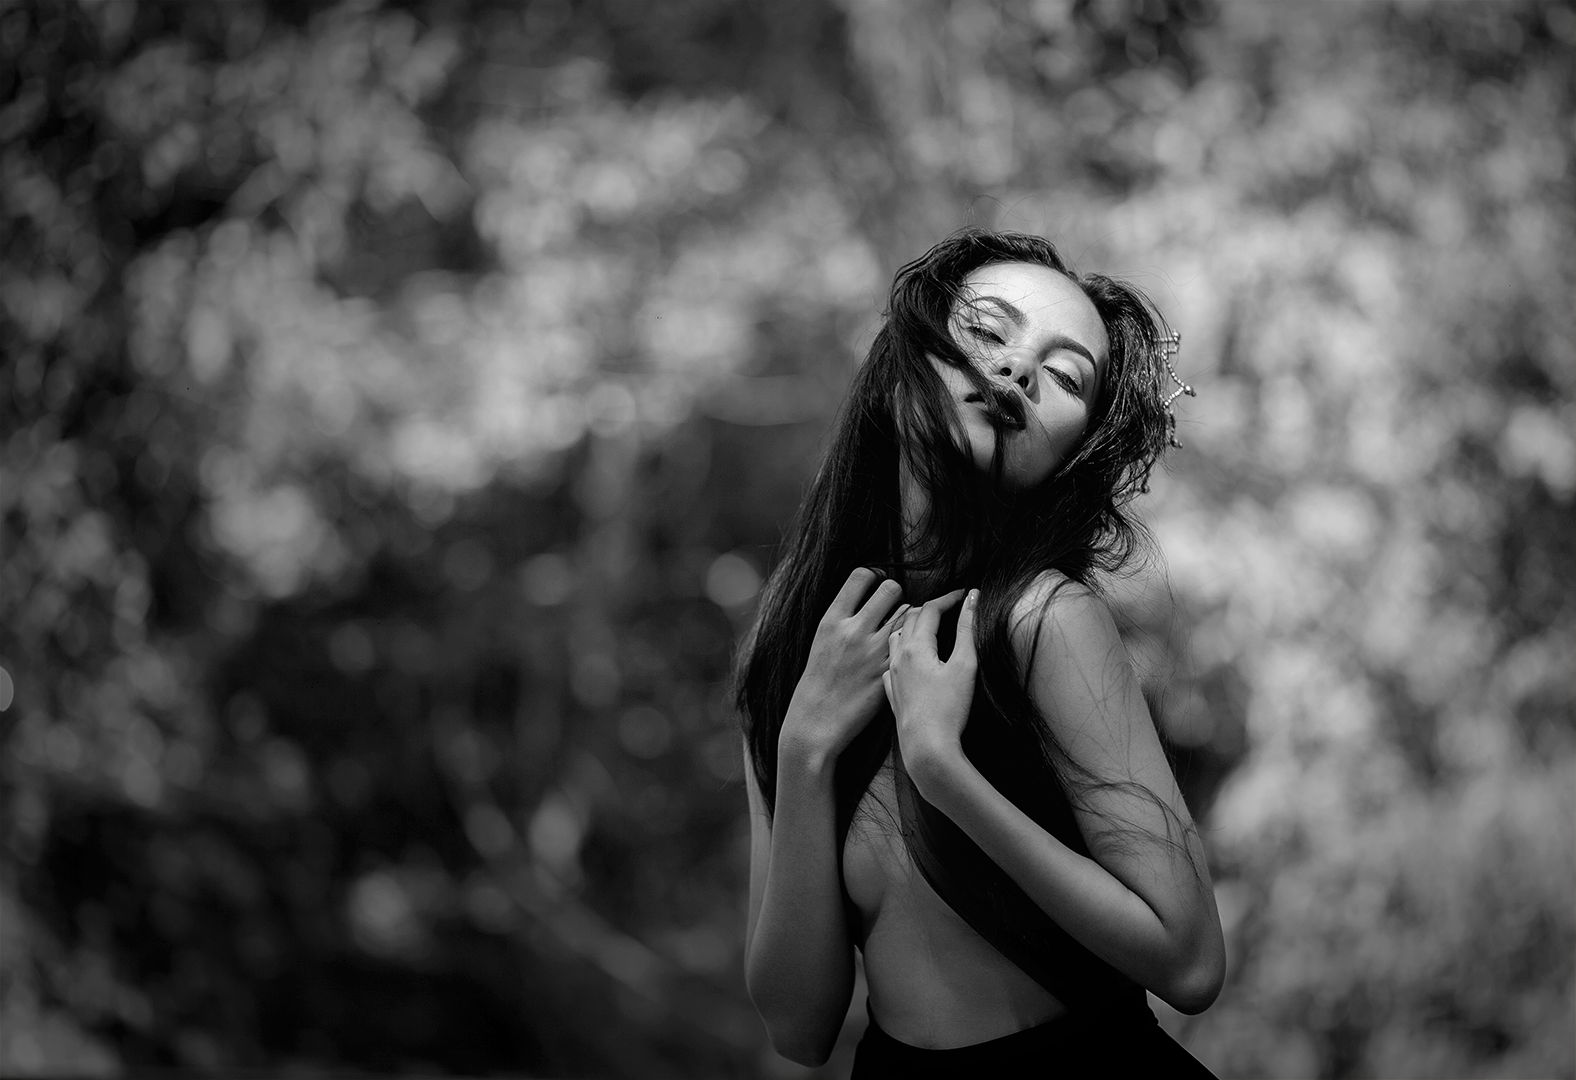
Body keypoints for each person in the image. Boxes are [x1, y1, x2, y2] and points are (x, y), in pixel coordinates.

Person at [736, 228, 1225, 1077]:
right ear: (900, 369)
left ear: (1071, 456)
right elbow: (798, 1027)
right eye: (990, 330)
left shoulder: (1045, 621)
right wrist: (805, 747)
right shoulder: (794, 650)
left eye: (1065, 376)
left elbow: (1190, 963)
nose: (1017, 370)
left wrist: (944, 771)